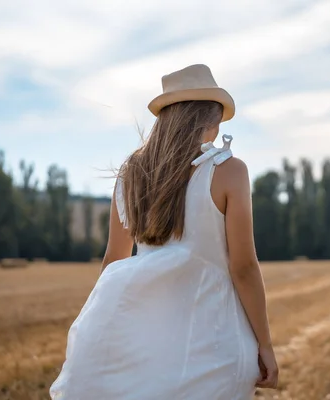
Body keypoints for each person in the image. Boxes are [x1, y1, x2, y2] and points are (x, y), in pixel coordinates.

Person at [50, 64, 278, 399]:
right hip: (214, 343)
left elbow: (114, 260)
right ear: (211, 121)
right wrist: (265, 345)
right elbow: (243, 268)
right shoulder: (229, 170)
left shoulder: (130, 175)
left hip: (147, 344)